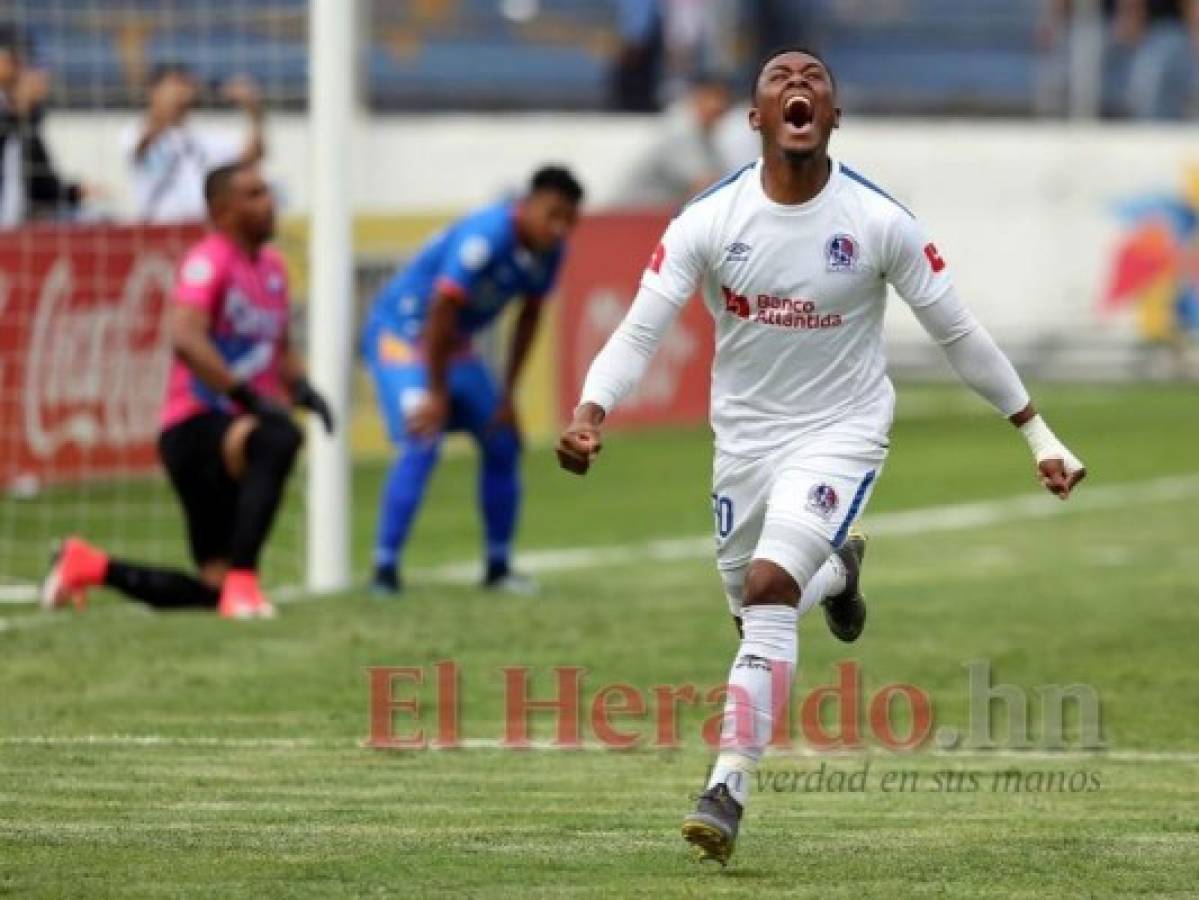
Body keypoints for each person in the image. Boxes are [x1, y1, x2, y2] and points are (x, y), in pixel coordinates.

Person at [556, 48, 1086, 865]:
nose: (797, 83)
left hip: (841, 430)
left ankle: (726, 786)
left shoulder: (878, 222)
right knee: (750, 609)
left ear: (832, 117)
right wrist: (591, 412)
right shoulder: (709, 218)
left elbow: (957, 333)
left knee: (769, 590)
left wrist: (1036, 432)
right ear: (755, 119)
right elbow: (639, 328)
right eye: (779, 78)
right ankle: (838, 574)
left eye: (814, 80)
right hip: (744, 437)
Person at [42, 161, 334, 620]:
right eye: (254, 195)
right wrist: (248, 398)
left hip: (232, 425)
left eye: (267, 191)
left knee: (208, 592)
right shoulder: (208, 261)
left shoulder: (274, 267)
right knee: (277, 438)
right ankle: (245, 581)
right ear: (222, 211)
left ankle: (90, 566)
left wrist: (303, 390)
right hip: (195, 427)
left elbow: (279, 347)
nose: (269, 202)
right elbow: (185, 338)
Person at [363, 166, 584, 595]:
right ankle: (384, 570)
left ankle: (498, 568)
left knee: (502, 438)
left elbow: (530, 316)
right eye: (551, 214)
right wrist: (437, 393)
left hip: (452, 342)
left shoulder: (551, 250)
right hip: (403, 335)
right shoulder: (486, 236)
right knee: (422, 436)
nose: (558, 228)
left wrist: (507, 395)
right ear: (528, 204)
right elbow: (441, 310)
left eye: (568, 220)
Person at [124, 63, 266, 223]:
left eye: (186, 85)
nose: (183, 93)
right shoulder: (134, 132)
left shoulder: (200, 138)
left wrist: (254, 112)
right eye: (176, 85)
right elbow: (141, 146)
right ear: (153, 91)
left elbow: (251, 156)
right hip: (159, 229)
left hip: (200, 227)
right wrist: (169, 105)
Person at [1039, 0, 1198, 119]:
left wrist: (1131, 16)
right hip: (1104, 24)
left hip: (1160, 28)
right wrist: (1053, 21)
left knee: (1153, 67)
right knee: (1071, 63)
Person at [0, 26, 87, 225]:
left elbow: (39, 182)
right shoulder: (14, 115)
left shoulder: (28, 122)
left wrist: (74, 192)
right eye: (13, 59)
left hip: (12, 229)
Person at [615, 74, 733, 208]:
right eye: (715, 97)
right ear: (699, 96)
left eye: (725, 99)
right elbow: (706, 185)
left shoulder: (705, 135)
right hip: (632, 214)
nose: (721, 105)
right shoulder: (679, 128)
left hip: (657, 214)